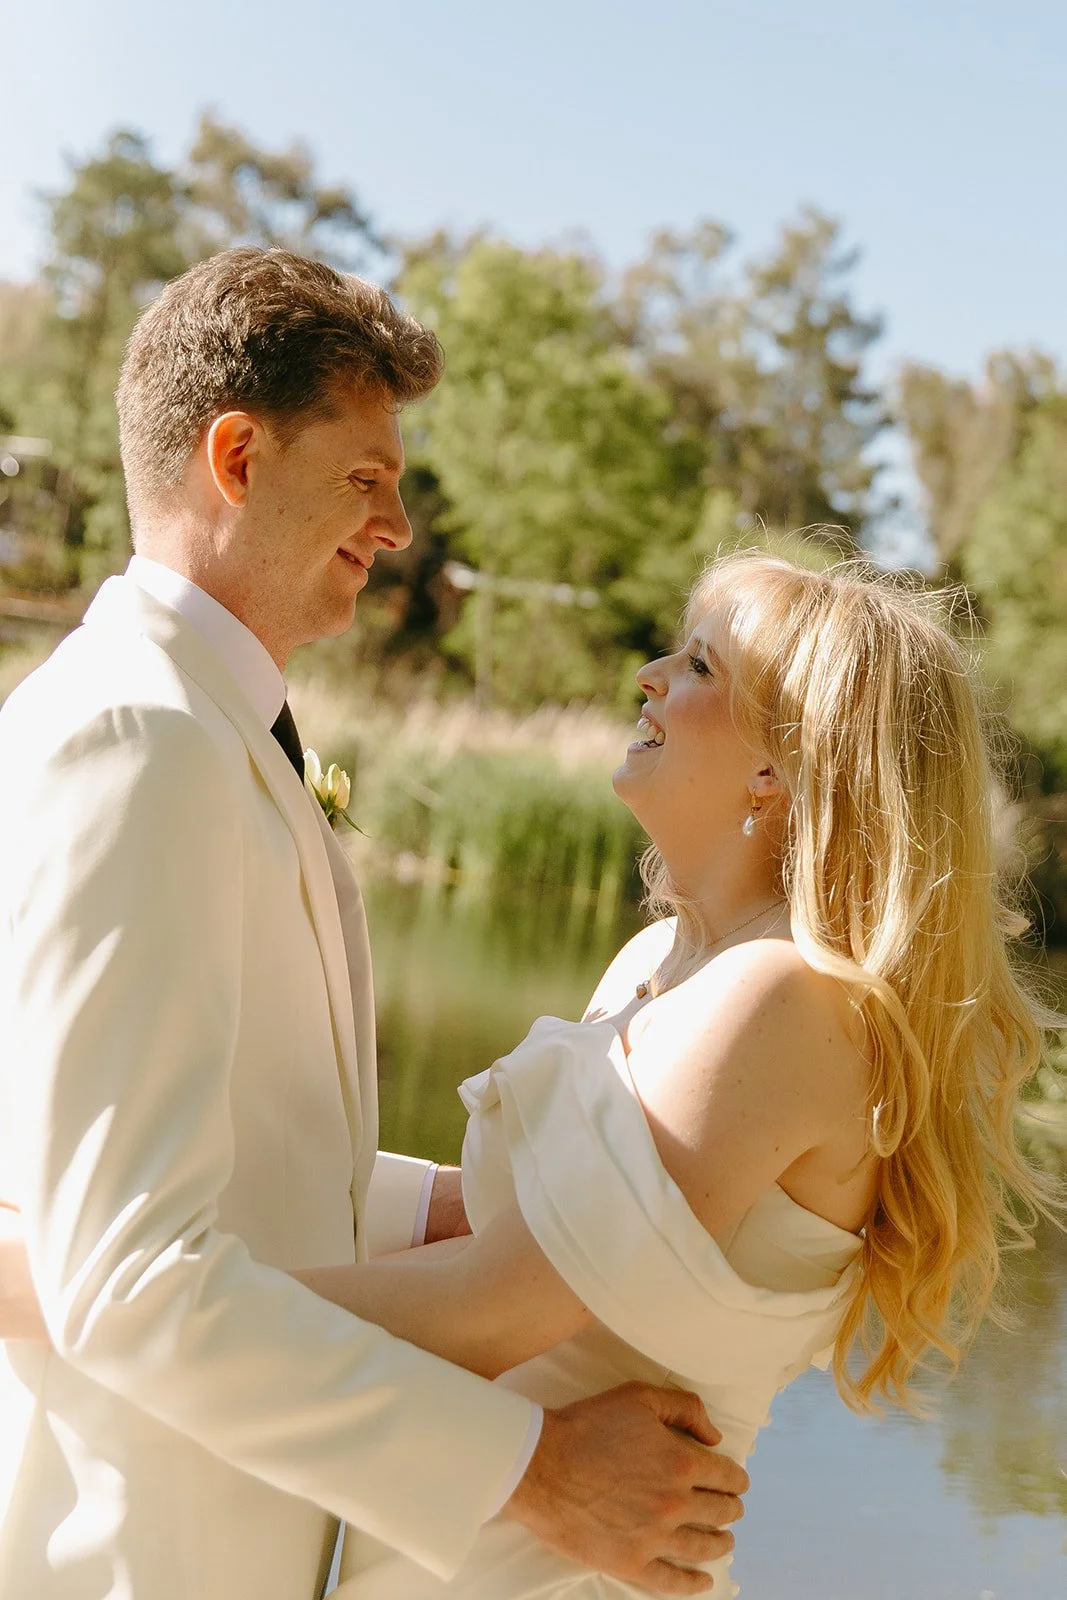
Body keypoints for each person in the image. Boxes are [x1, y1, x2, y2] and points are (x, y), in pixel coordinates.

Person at [5, 543, 1059, 1597]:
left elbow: (484, 1309)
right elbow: (494, 1225)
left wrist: (86, 1294)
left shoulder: (778, 1000)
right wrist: (102, 1208)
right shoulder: (662, 961)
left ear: (777, 767)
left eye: (698, 665)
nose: (648, 675)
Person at [0, 248, 748, 1600]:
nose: (398, 526)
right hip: (134, 1553)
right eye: (365, 476)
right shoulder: (135, 737)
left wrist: (468, 1209)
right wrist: (526, 1471)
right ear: (237, 459)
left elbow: (211, 1144)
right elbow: (128, 1278)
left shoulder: (199, 728)